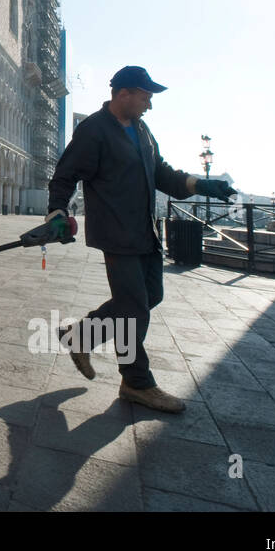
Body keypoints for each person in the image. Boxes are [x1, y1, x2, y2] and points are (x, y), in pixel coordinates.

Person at [46, 65, 234, 413]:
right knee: (133, 307)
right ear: (124, 94)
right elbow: (65, 174)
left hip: (145, 230)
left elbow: (161, 172)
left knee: (151, 296)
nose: (149, 105)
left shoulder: (142, 130)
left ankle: (81, 335)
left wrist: (200, 184)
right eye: (145, 97)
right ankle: (137, 383)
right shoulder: (94, 130)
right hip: (115, 232)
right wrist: (58, 212)